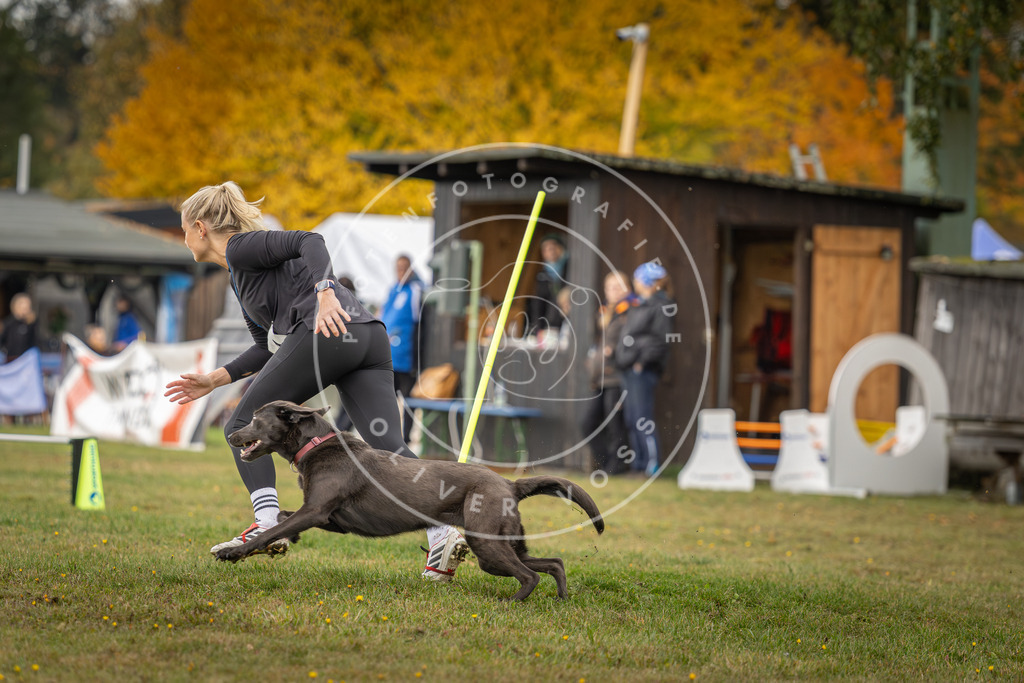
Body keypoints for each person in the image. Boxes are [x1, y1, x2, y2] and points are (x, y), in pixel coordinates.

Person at [164, 182, 469, 581]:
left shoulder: (241, 247)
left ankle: (268, 521)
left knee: (241, 425)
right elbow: (265, 349)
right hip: (365, 336)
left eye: (183, 228)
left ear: (200, 228)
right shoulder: (239, 275)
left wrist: (325, 293)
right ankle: (442, 531)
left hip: (329, 329)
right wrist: (214, 379)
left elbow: (309, 239)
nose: (183, 237)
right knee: (388, 448)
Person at [615, 261, 674, 477]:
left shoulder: (660, 306)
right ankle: (638, 464)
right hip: (629, 369)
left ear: (647, 282)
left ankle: (652, 465)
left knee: (642, 417)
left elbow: (659, 341)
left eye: (638, 279)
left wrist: (642, 361)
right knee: (631, 417)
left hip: (642, 371)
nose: (635, 283)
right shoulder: (640, 304)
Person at [580, 271, 637, 475]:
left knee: (616, 427)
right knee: (588, 424)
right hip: (601, 379)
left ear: (627, 289)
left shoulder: (632, 312)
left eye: (618, 287)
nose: (613, 291)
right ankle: (607, 464)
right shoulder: (606, 314)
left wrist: (613, 353)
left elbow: (632, 345)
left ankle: (618, 467)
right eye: (609, 287)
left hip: (619, 379)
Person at [379, 254, 423, 445]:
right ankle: (389, 437)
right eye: (398, 268)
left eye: (405, 267)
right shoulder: (392, 291)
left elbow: (418, 323)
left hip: (406, 357)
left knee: (408, 402)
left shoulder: (415, 290)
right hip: (388, 357)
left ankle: (406, 439)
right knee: (387, 400)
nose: (401, 272)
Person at [526, 233, 568, 336]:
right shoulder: (542, 275)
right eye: (546, 249)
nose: (550, 252)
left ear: (560, 248)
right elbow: (538, 304)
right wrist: (538, 329)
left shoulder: (570, 269)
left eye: (553, 248)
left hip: (565, 324)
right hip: (548, 327)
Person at [0, 293, 38, 362]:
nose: (26, 309)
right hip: (11, 358)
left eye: (27, 307)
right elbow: (2, 339)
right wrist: (5, 351)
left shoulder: (31, 323)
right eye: (23, 307)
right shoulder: (9, 322)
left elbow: (35, 341)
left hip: (26, 359)